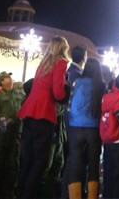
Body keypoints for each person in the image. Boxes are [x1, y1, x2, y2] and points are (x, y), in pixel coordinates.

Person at [16, 36, 71, 198]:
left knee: (27, 158)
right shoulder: (60, 62)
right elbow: (58, 92)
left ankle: (20, 194)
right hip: (43, 113)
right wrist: (66, 88)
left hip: (29, 111)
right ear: (63, 48)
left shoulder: (44, 62)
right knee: (39, 161)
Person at [65, 57, 104, 199]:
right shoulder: (101, 85)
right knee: (93, 165)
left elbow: (69, 105)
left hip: (76, 127)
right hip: (93, 128)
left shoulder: (77, 82)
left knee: (76, 164)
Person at [0, 72, 23, 199]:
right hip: (1, 134)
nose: (10, 78)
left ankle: (7, 194)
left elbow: (24, 109)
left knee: (12, 165)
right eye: (7, 77)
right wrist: (1, 118)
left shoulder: (20, 94)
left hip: (16, 134)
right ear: (2, 81)